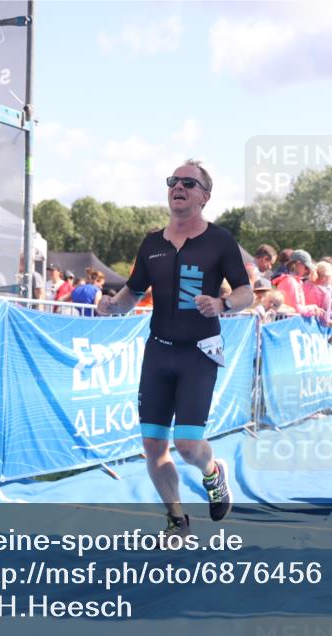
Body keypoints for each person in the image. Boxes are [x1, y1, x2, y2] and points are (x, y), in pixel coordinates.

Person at [99, 160, 251, 538]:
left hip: (198, 353)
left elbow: (246, 293)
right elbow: (132, 293)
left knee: (186, 444)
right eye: (173, 181)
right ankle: (177, 519)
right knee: (153, 445)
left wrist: (223, 304)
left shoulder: (220, 241)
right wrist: (112, 306)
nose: (178, 187)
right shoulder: (152, 243)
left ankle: (213, 474)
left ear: (205, 196)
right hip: (159, 353)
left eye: (188, 182)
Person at [271, 249, 323, 318]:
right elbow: (295, 309)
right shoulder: (290, 282)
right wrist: (313, 308)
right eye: (306, 268)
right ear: (298, 264)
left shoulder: (296, 281)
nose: (307, 271)